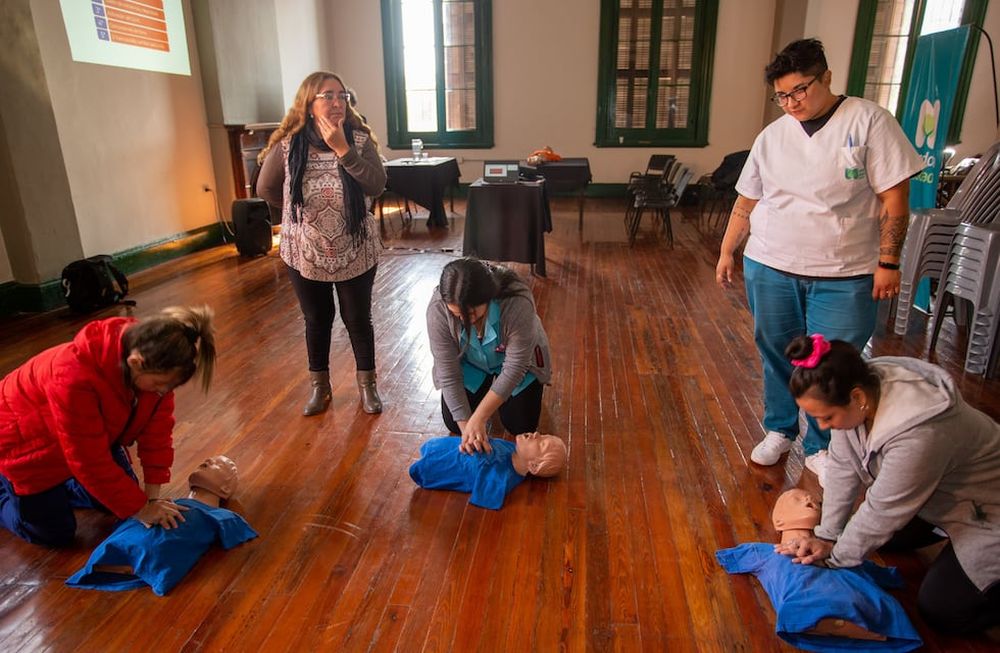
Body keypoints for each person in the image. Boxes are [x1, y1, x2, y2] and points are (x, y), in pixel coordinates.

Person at [714, 38, 924, 484]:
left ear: (826, 77)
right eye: (782, 96)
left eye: (800, 90)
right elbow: (746, 201)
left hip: (844, 273)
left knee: (832, 362)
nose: (791, 103)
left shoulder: (870, 121)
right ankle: (779, 429)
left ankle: (823, 445)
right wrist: (727, 250)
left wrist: (889, 261)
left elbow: (895, 198)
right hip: (770, 264)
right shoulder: (772, 136)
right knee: (775, 352)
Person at [775, 334, 1000, 635]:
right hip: (944, 495)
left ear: (857, 398)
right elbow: (843, 469)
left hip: (989, 509)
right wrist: (827, 536)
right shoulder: (857, 391)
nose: (824, 427)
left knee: (942, 612)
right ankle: (941, 530)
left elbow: (884, 509)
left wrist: (835, 559)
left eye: (826, 417)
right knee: (872, 538)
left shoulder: (921, 434)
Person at [0, 306, 216, 546]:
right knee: (54, 534)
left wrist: (151, 501)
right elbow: (88, 461)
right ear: (136, 362)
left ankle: (65, 486)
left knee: (123, 499)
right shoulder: (72, 376)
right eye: (159, 385)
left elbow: (157, 435)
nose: (163, 392)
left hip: (85, 439)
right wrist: (141, 509)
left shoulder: (155, 368)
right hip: (23, 448)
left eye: (168, 387)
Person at [257, 71, 387, 417]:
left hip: (355, 245)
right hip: (306, 250)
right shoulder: (288, 145)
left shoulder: (358, 140)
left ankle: (367, 386)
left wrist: (344, 150)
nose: (336, 103)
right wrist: (298, 218)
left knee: (357, 318)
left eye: (341, 96)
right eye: (327, 96)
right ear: (309, 104)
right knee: (316, 318)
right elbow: (266, 189)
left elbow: (375, 185)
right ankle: (321, 388)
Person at [718, 488, 922, 651]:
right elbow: (727, 557)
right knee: (806, 608)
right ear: (778, 522)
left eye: (817, 502)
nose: (810, 501)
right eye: (798, 500)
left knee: (877, 608)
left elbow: (887, 575)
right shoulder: (767, 552)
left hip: (869, 607)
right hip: (806, 610)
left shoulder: (846, 552)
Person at [66, 455, 258, 596]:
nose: (209, 461)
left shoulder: (216, 515)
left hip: (152, 553)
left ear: (225, 489)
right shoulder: (164, 504)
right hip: (121, 544)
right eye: (210, 460)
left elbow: (238, 528)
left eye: (219, 465)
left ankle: (132, 566)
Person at [426, 258, 551, 454]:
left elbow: (515, 367)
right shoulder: (438, 309)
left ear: (488, 296)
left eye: (471, 313)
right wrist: (468, 430)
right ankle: (486, 390)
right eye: (457, 315)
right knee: (453, 421)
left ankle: (493, 398)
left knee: (521, 425)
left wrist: (480, 417)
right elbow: (448, 373)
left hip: (517, 366)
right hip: (471, 364)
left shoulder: (517, 300)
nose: (465, 321)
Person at [409, 432, 567, 510]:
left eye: (541, 444)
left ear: (533, 466)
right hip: (446, 446)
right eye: (543, 435)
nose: (537, 434)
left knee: (422, 465)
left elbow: (485, 499)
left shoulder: (499, 478)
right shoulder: (513, 449)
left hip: (439, 464)